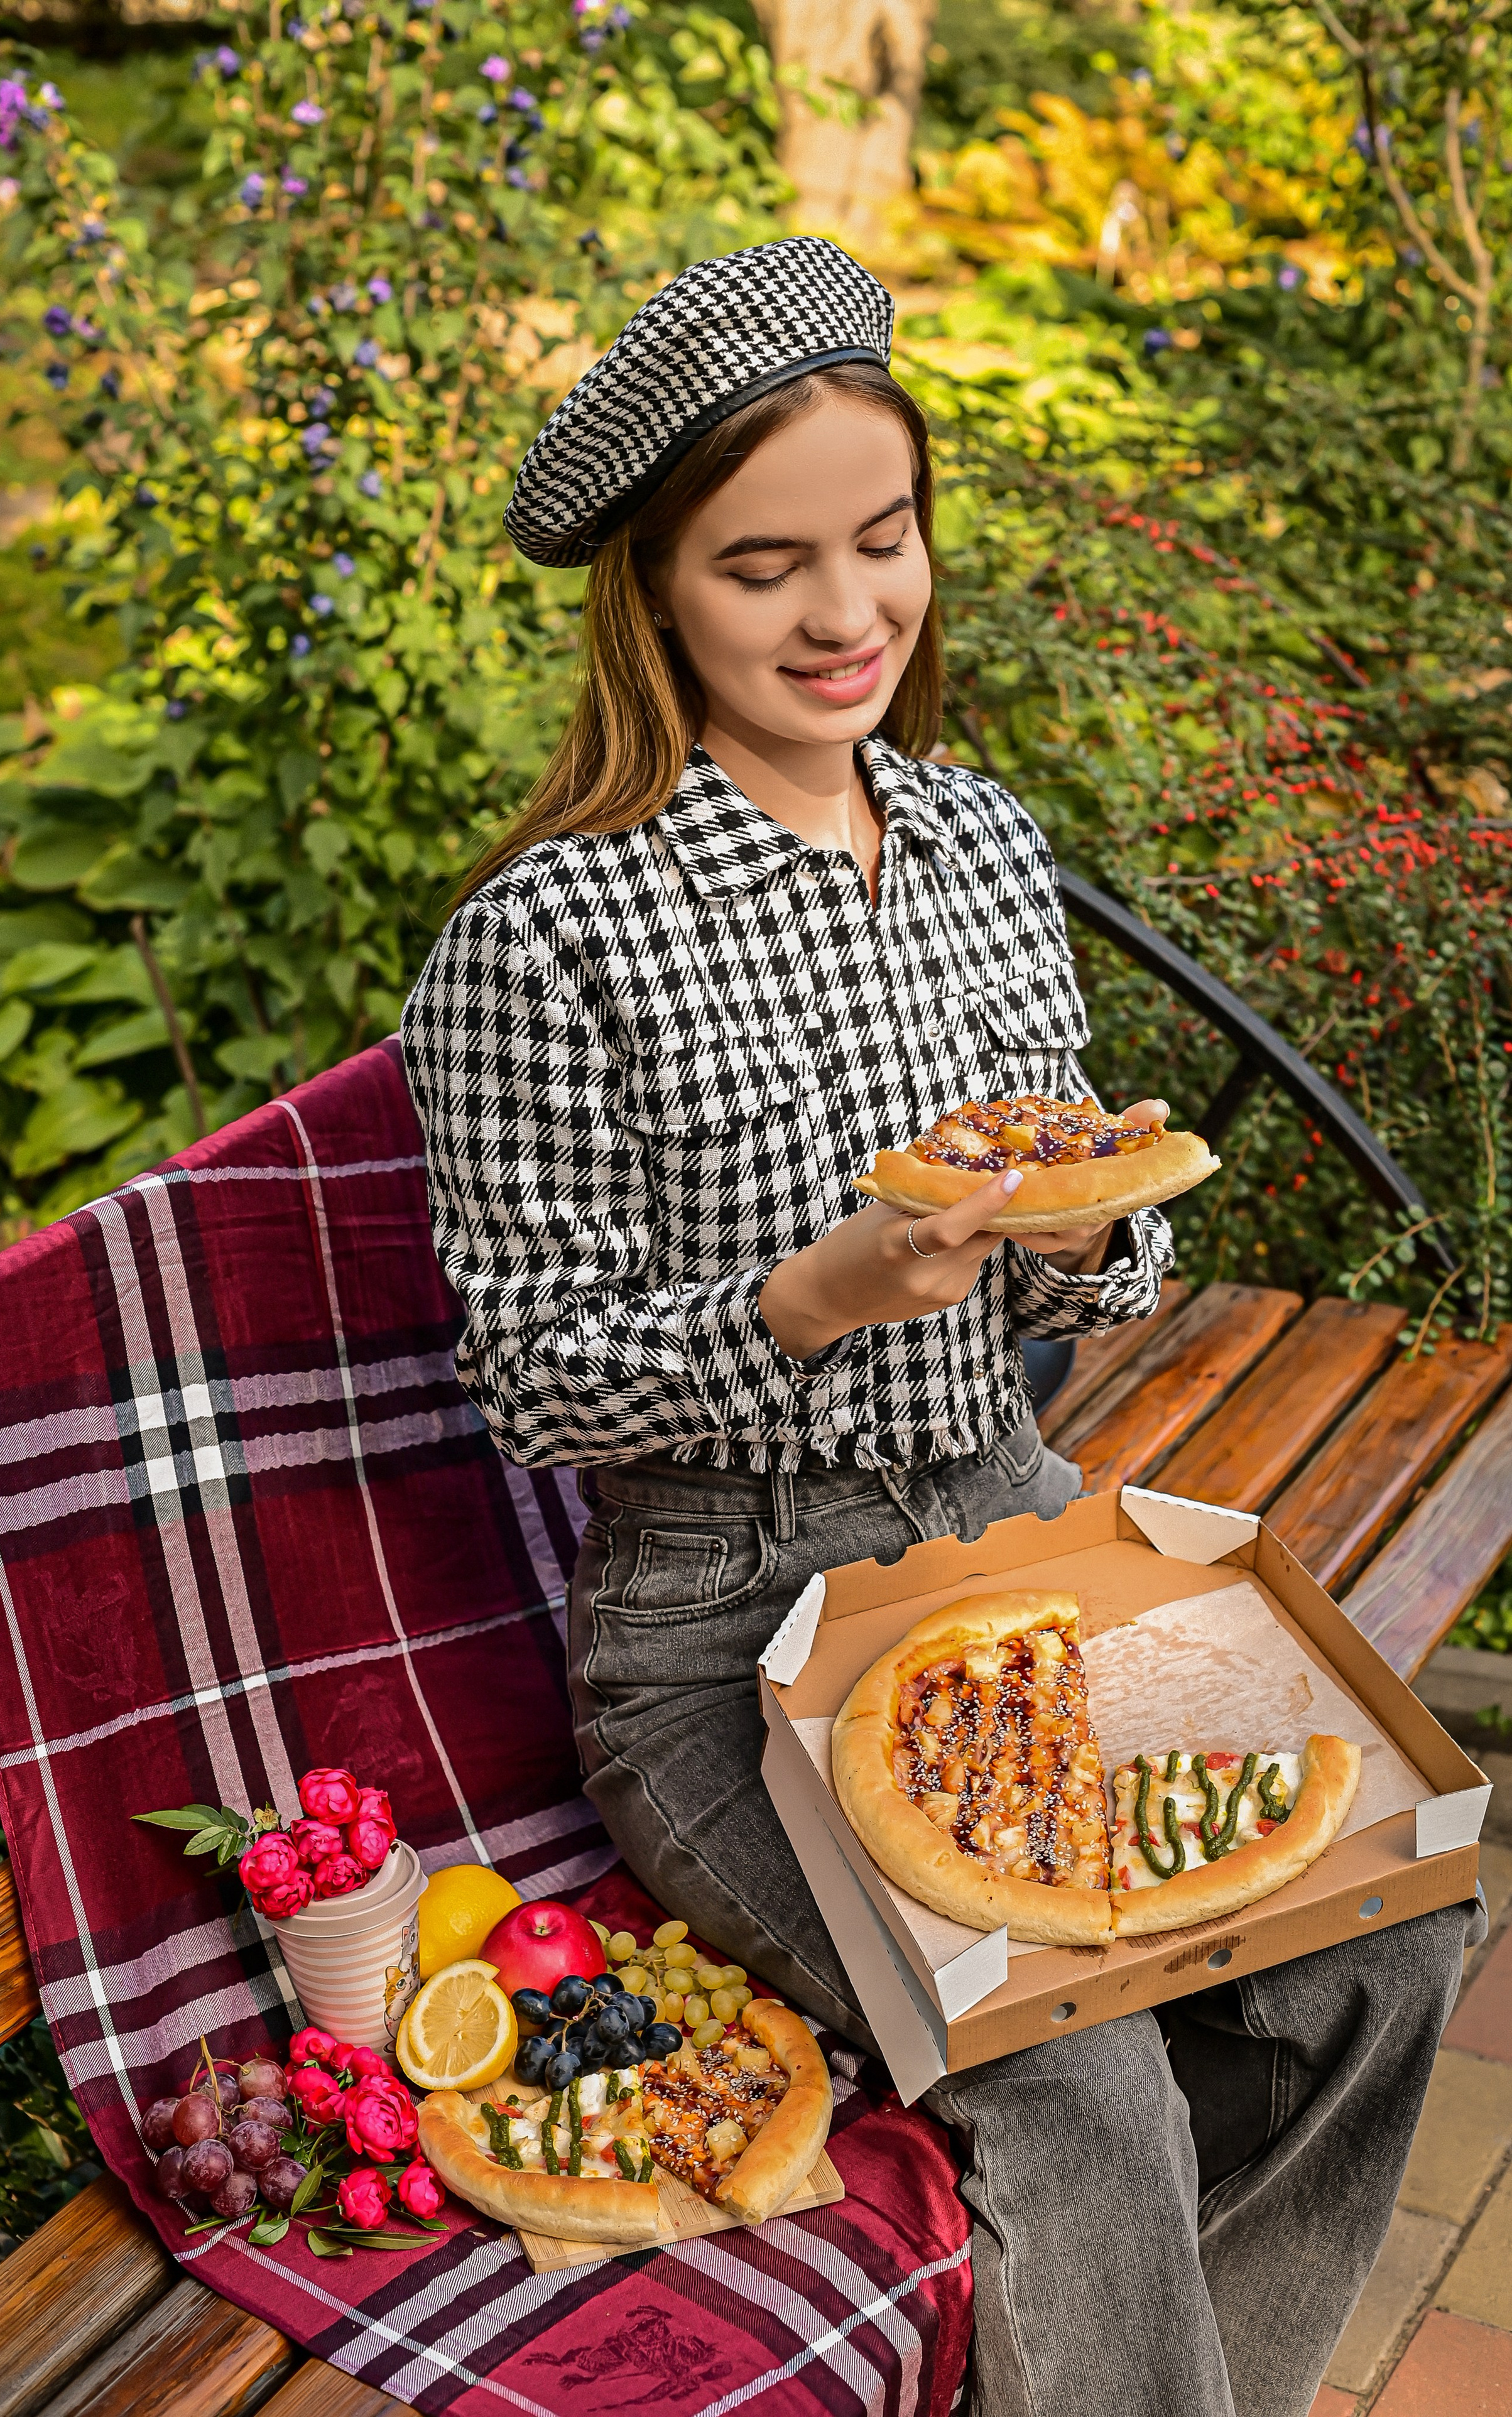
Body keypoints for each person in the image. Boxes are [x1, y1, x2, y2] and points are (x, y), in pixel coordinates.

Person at [402, 237, 1478, 2417]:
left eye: (880, 543)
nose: (842, 617)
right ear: (656, 595)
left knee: (1394, 1928)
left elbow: (1106, 1243)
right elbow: (528, 1374)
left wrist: (1088, 1243)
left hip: (1010, 1531)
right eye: (765, 564)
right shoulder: (540, 938)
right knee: (1078, 2088)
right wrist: (813, 1293)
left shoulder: (982, 840)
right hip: (722, 1625)